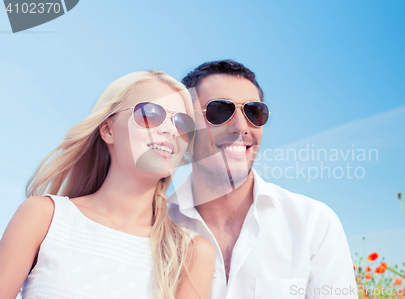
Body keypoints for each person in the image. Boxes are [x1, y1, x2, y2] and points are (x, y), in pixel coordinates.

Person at [0, 70, 215, 299]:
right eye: (150, 114)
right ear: (108, 129)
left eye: (182, 123)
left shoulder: (191, 252)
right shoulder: (43, 217)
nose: (171, 130)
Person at [168, 60, 357, 298]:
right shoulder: (155, 227)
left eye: (253, 112)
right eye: (219, 111)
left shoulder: (314, 225)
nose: (240, 127)